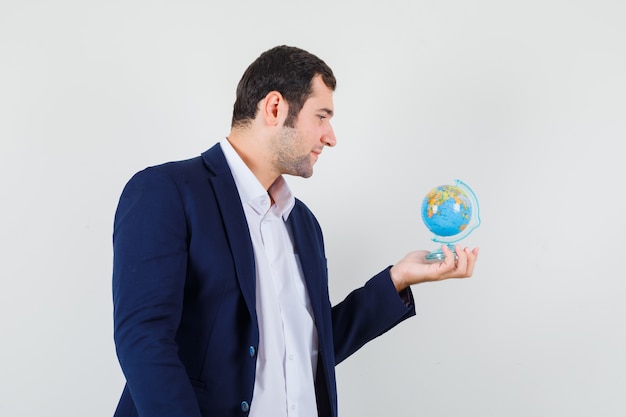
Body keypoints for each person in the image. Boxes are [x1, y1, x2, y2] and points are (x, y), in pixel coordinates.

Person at [112, 45, 479, 417]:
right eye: (321, 116)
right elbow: (144, 341)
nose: (330, 136)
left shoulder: (302, 222)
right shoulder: (167, 191)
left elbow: (308, 347)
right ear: (275, 108)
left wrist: (397, 279)